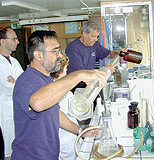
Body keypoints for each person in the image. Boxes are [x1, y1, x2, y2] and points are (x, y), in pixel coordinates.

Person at [11, 30, 107, 160]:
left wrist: (81, 131)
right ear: (38, 55)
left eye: (59, 50)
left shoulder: (46, 79)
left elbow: (55, 113)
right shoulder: (27, 80)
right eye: (55, 51)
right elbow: (37, 103)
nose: (60, 55)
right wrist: (79, 75)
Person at [65, 21, 126, 93]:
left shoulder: (94, 45)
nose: (96, 39)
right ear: (84, 33)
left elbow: (109, 54)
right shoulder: (73, 47)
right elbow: (79, 73)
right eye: (93, 36)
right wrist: (104, 70)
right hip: (77, 87)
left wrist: (118, 53)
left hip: (89, 84)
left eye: (97, 36)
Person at [0, 27, 23, 158]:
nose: (17, 42)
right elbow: (8, 87)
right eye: (14, 39)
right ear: (2, 41)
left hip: (19, 107)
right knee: (11, 149)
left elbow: (25, 82)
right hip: (7, 109)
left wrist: (16, 81)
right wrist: (18, 83)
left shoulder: (15, 61)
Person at [51, 53, 81, 160]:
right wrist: (81, 131)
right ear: (60, 70)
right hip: (64, 136)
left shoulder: (61, 86)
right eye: (66, 69)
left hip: (70, 134)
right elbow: (57, 116)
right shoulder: (55, 89)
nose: (67, 71)